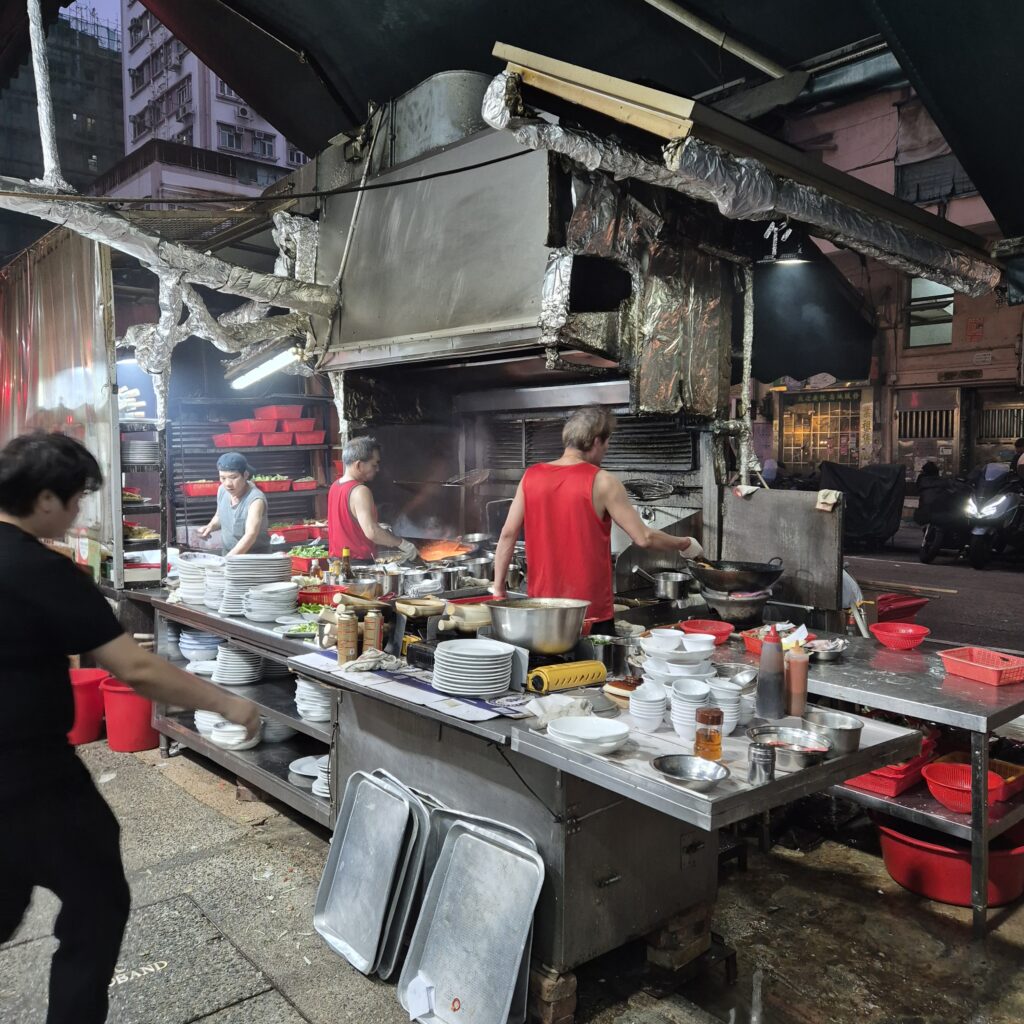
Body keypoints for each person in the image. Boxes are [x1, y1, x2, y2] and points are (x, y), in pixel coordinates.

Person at [0, 432, 259, 1024]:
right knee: (98, 903)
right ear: (44, 499)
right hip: (31, 778)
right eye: (75, 500)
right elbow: (136, 667)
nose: (76, 514)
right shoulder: (42, 570)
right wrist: (226, 701)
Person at [492, 407, 703, 632]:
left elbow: (507, 534)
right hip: (588, 615)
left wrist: (498, 590)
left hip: (541, 610)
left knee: (545, 668)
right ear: (595, 442)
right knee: (592, 668)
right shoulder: (603, 482)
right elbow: (644, 538)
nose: (607, 449)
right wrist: (685, 544)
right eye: (606, 443)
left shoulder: (530, 476)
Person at [327, 436, 416, 562]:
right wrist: (402, 544)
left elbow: (348, 523)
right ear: (358, 465)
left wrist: (377, 525)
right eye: (374, 465)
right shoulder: (360, 491)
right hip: (357, 567)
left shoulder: (335, 486)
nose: (377, 469)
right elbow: (372, 532)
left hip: (336, 563)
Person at [197, 451, 271, 555]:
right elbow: (219, 516)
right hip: (229, 554)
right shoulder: (222, 490)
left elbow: (251, 535)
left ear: (245, 475)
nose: (227, 484)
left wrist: (228, 560)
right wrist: (210, 526)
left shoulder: (255, 500)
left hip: (253, 559)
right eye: (223, 478)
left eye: (233, 477)